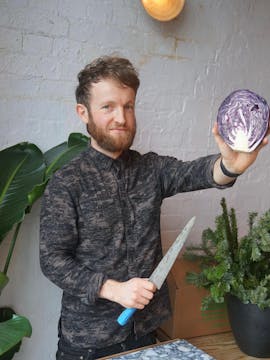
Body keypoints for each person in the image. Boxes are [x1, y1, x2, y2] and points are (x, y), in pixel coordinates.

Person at [39, 56, 269, 360]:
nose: (121, 117)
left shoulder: (150, 168)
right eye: (108, 106)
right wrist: (112, 289)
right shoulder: (66, 182)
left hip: (146, 335)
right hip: (86, 344)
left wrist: (230, 166)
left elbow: (195, 173)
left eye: (128, 105)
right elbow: (52, 259)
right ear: (83, 112)